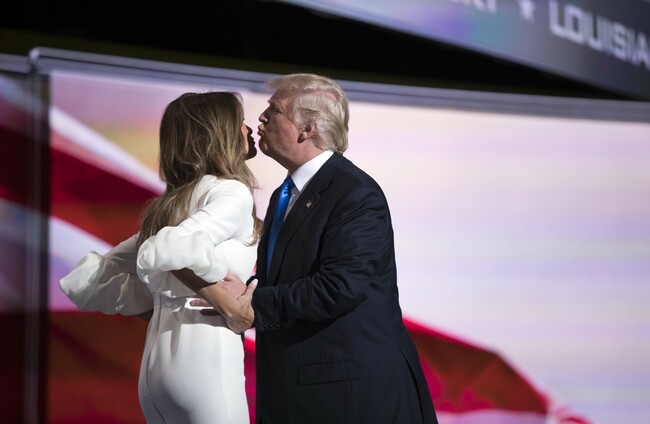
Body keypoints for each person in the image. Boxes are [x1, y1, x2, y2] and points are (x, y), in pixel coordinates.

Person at [195, 74, 439, 423]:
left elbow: (340, 287)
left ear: (307, 128)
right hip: (300, 392)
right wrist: (241, 293)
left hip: (350, 399)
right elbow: (289, 280)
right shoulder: (285, 195)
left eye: (274, 110)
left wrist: (252, 302)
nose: (261, 118)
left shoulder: (354, 193)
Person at [59, 91, 261, 424]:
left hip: (156, 373)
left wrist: (163, 299)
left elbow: (90, 281)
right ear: (219, 132)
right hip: (207, 365)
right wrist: (226, 300)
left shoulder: (171, 203)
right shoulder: (231, 192)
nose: (248, 128)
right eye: (240, 121)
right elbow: (165, 251)